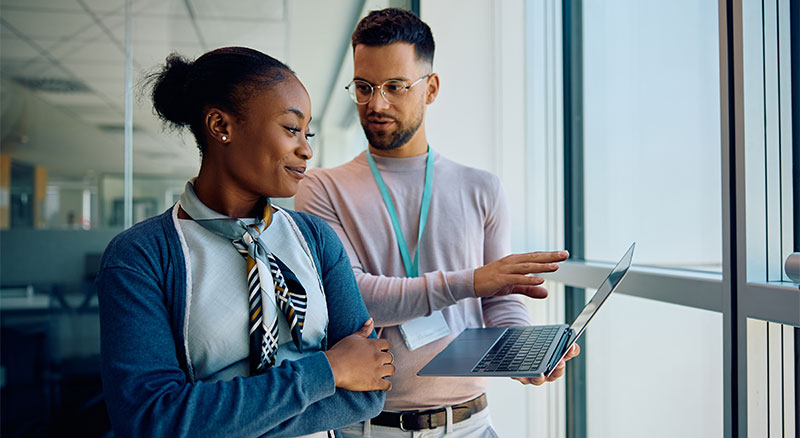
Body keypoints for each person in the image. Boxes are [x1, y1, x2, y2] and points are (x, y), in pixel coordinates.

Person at [295, 9, 580, 437]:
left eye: (395, 86)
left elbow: (499, 299)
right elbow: (351, 300)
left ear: (430, 89)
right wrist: (471, 281)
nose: (377, 103)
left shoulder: (481, 188)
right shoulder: (320, 188)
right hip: (370, 428)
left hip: (471, 423)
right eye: (364, 87)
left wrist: (524, 353)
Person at [96, 47, 394, 438]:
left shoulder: (316, 240)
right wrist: (330, 370)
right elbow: (153, 421)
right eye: (291, 129)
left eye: (309, 133)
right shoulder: (142, 257)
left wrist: (219, 419)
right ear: (221, 125)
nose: (306, 149)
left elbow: (369, 391)